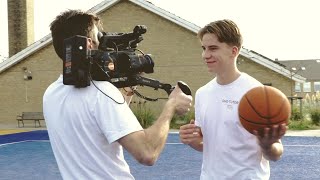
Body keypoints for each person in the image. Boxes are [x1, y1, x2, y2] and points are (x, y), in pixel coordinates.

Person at [43, 9, 192, 180]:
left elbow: (97, 123)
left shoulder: (51, 93)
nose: (103, 42)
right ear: (89, 44)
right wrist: (171, 106)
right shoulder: (102, 93)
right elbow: (147, 153)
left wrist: (127, 91)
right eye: (99, 37)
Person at [179, 19, 287, 179]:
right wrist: (191, 139)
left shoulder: (258, 94)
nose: (205, 55)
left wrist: (268, 145)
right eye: (204, 48)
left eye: (213, 48)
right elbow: (207, 145)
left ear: (234, 51)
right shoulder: (202, 93)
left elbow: (276, 153)